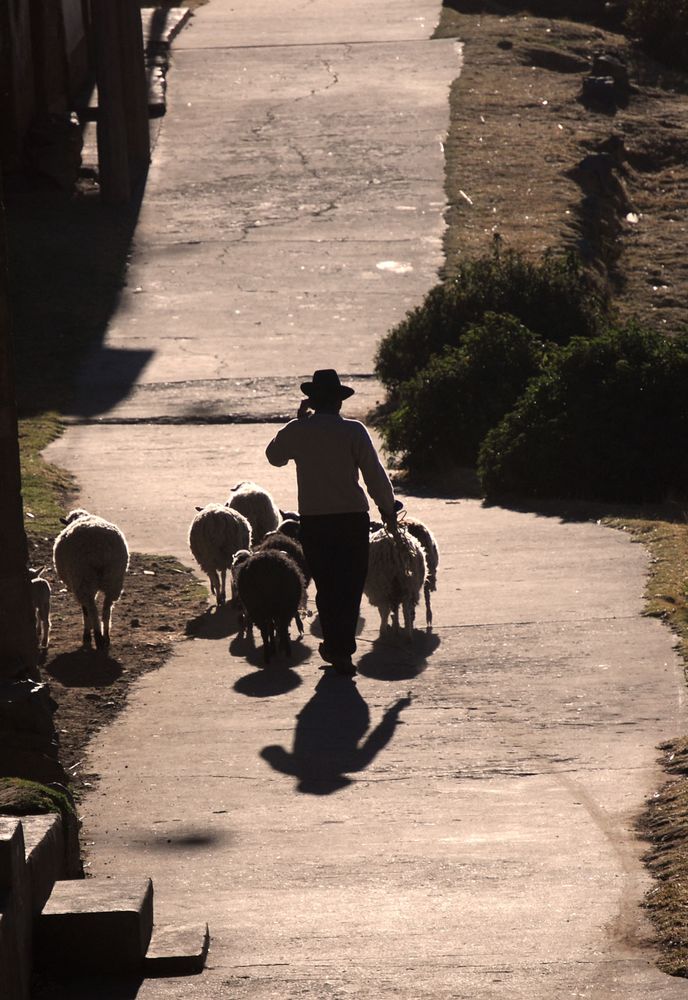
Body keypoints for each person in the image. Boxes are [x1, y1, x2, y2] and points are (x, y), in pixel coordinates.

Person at [265, 369, 399, 676]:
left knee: (326, 585)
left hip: (315, 523)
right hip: (352, 520)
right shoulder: (354, 431)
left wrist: (297, 422)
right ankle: (341, 650)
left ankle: (336, 648)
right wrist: (388, 511)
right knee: (350, 586)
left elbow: (274, 456)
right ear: (339, 403)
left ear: (312, 401)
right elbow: (375, 476)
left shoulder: (298, 431)